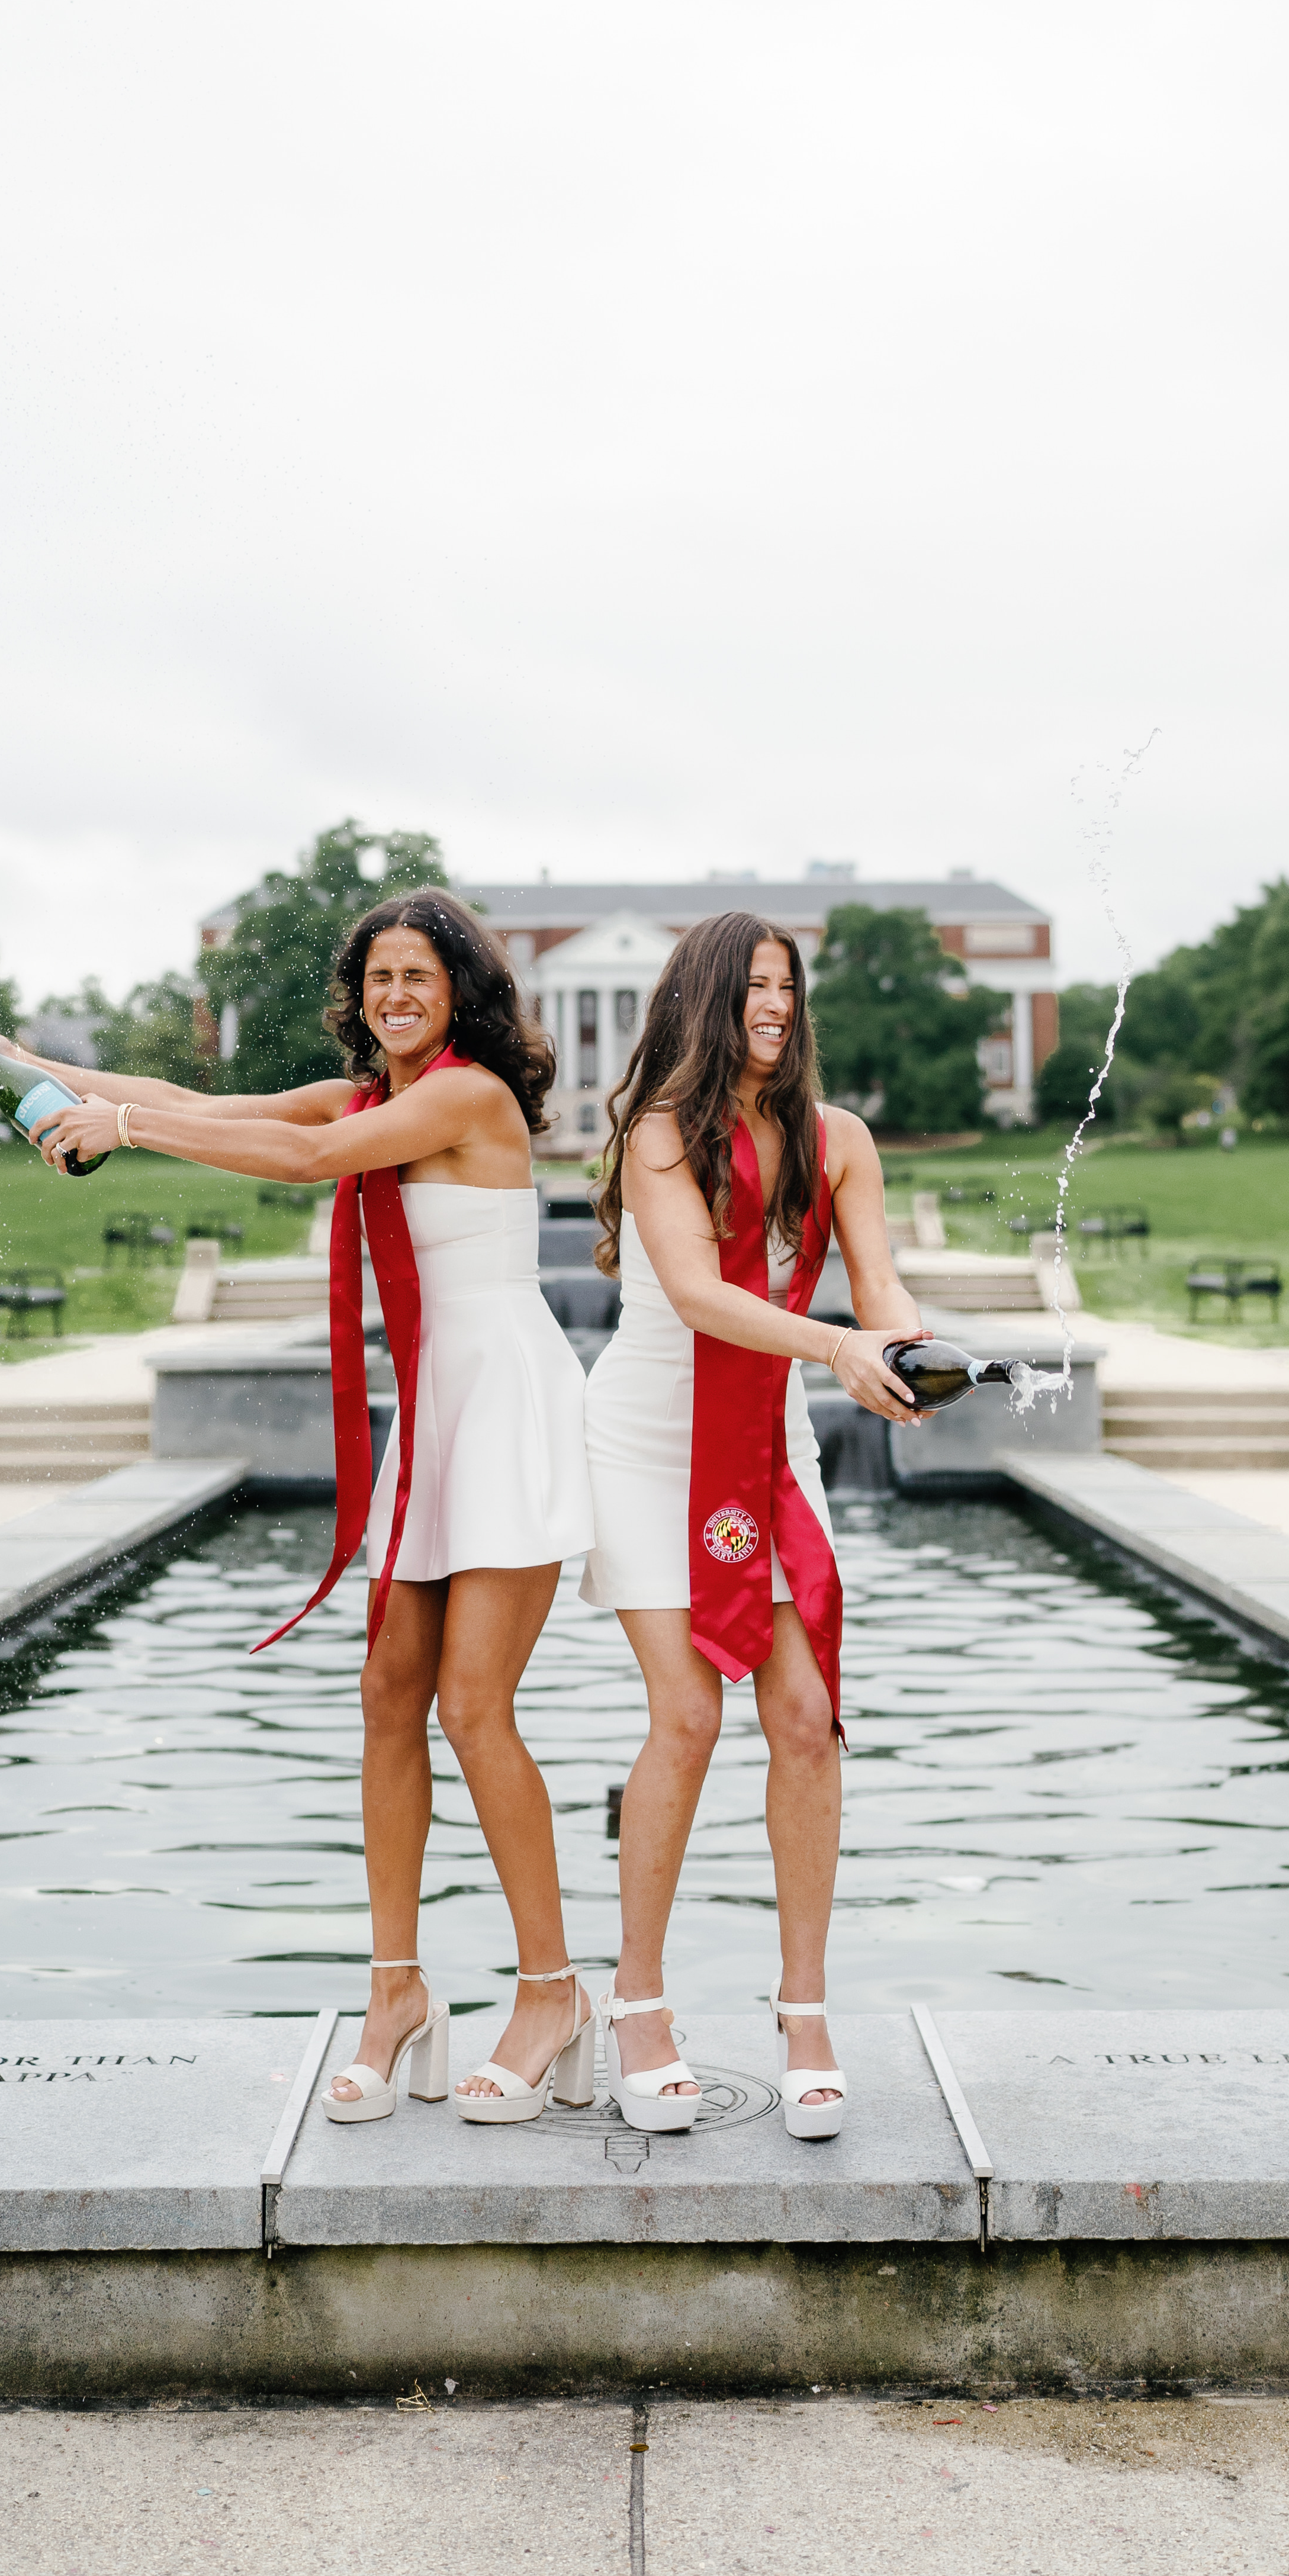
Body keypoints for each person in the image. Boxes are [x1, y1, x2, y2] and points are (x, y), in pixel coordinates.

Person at [0, 892, 596, 2127]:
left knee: (471, 1706)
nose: (395, 995)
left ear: (459, 990)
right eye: (378, 978)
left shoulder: (463, 1098)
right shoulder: (373, 1096)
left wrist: (121, 1127)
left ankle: (553, 1991)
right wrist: (17, 1062)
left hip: (504, 1411)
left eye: (418, 975)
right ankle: (395, 1991)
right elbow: (204, 1107)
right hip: (434, 1414)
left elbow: (292, 1158)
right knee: (388, 1697)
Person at [579, 911, 922, 2143]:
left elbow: (875, 1288)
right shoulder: (660, 1134)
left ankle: (805, 2010)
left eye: (788, 987)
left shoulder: (838, 1141)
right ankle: (637, 2005)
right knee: (686, 1714)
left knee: (808, 1721)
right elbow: (697, 1295)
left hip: (764, 1444)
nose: (775, 1006)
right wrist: (836, 1345)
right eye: (754, 988)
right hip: (647, 1442)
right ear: (706, 1001)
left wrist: (907, 1353)